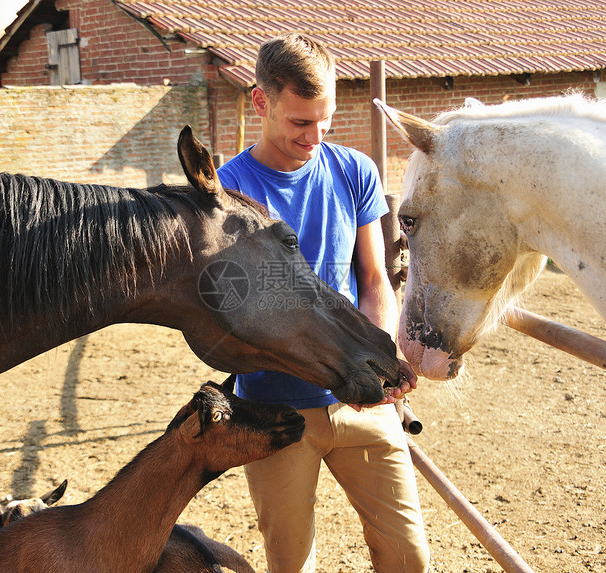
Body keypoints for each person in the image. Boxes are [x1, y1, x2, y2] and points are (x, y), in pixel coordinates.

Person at [216, 34, 430, 573]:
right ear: (262, 102)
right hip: (276, 408)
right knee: (291, 565)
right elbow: (240, 314)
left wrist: (378, 363)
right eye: (299, 123)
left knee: (409, 558)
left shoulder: (355, 170)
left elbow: (375, 278)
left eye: (325, 122)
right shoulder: (229, 189)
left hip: (362, 398)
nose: (314, 137)